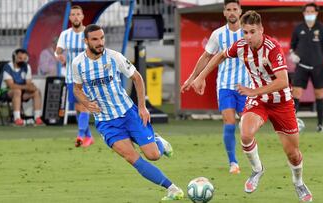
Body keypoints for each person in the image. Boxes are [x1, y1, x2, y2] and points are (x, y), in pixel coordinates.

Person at [192, 11, 313, 202]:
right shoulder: (241, 46)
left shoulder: (272, 48)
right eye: (245, 32)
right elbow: (219, 56)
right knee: (246, 133)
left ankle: (298, 182)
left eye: (252, 32)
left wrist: (253, 91)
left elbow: (282, 81)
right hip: (259, 101)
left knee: (293, 154)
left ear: (261, 30)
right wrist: (200, 77)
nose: (247, 36)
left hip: (282, 102)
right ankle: (257, 170)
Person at [72, 24, 184, 201]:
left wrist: (142, 106)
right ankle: (172, 188)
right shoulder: (78, 63)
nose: (100, 42)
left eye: (102, 38)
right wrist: (86, 102)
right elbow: (76, 89)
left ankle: (159, 141)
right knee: (132, 158)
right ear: (86, 41)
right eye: (95, 39)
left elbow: (137, 78)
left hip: (128, 113)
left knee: (154, 155)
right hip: (106, 122)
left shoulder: (114, 57)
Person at [180, 0, 250, 175]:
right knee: (229, 122)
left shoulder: (249, 32)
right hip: (225, 85)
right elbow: (206, 56)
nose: (232, 12)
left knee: (247, 127)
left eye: (235, 9)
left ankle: (252, 159)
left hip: (247, 86)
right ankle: (233, 162)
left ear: (240, 11)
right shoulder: (218, 35)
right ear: (224, 13)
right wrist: (193, 77)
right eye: (229, 10)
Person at [289, 2, 323, 132]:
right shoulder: (298, 28)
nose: (309, 14)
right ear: (303, 13)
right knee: (296, 93)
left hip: (318, 66)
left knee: (319, 94)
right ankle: (291, 125)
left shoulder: (322, 29)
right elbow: (292, 46)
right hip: (301, 66)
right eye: (307, 12)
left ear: (316, 13)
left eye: (311, 12)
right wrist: (293, 55)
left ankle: (320, 125)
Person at [55, 5, 93, 147]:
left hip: (87, 77)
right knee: (77, 107)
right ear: (70, 17)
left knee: (83, 106)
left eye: (78, 14)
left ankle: (81, 135)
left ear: (82, 16)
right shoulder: (65, 34)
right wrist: (59, 56)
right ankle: (88, 135)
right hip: (71, 77)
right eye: (73, 14)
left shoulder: (89, 33)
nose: (76, 17)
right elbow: (57, 51)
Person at [0, 48, 44, 126]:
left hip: (21, 92)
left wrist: (32, 87)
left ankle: (37, 118)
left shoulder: (27, 67)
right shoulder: (7, 67)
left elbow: (29, 84)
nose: (22, 60)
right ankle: (17, 119)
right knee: (17, 91)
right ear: (14, 57)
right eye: (20, 58)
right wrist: (27, 87)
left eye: (24, 59)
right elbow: (11, 85)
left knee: (36, 91)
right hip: (6, 92)